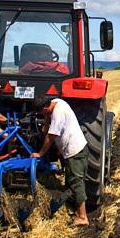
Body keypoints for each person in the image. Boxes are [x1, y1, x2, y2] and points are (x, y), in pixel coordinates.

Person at [31, 96, 89, 226]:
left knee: (76, 181)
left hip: (75, 151)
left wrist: (39, 154)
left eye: (42, 113)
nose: (42, 115)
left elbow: (50, 137)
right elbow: (47, 118)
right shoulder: (56, 102)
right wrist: (45, 123)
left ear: (46, 108)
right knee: (70, 180)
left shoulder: (58, 114)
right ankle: (75, 210)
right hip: (72, 150)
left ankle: (83, 217)